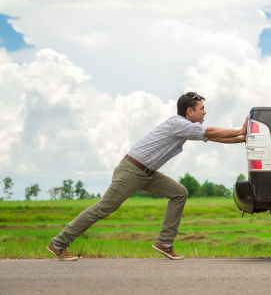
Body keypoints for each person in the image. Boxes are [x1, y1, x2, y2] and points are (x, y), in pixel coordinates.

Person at [47, 92, 247, 261]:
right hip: (131, 171)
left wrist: (242, 138)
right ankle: (58, 243)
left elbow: (212, 136)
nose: (205, 112)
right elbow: (211, 131)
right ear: (189, 111)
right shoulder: (178, 123)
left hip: (147, 173)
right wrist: (239, 130)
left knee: (179, 193)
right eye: (202, 108)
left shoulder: (186, 128)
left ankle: (164, 242)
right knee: (104, 208)